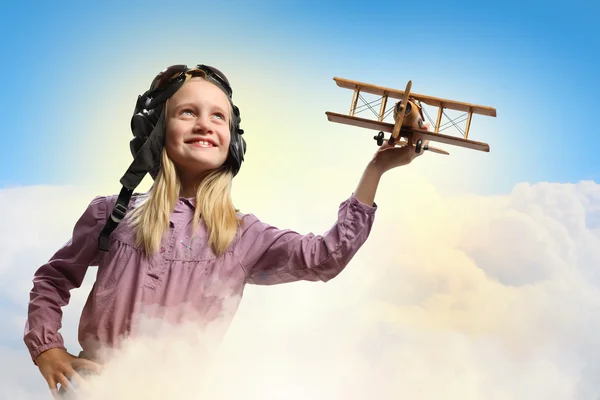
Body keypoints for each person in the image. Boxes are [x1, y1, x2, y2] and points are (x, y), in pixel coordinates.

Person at [23, 64, 427, 398]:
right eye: (187, 112)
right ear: (156, 131)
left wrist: (376, 170)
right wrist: (48, 349)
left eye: (218, 116)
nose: (205, 124)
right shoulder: (112, 214)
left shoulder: (242, 236)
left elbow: (325, 258)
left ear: (232, 141)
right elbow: (52, 278)